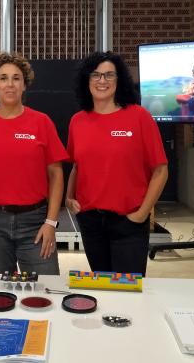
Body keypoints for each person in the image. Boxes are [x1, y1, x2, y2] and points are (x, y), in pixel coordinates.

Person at [0, 52, 68, 275]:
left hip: (35, 222)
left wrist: (51, 222)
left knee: (44, 289)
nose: (10, 84)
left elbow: (56, 175)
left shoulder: (41, 123)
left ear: (24, 85)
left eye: (16, 78)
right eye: (3, 78)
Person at [66, 51, 168, 276]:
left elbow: (160, 170)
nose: (102, 81)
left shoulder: (139, 117)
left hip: (128, 222)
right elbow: (76, 165)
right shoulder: (78, 121)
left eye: (109, 75)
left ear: (119, 80)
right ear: (87, 80)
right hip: (91, 222)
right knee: (103, 286)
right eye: (96, 75)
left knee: (128, 291)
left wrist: (142, 214)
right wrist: (68, 197)